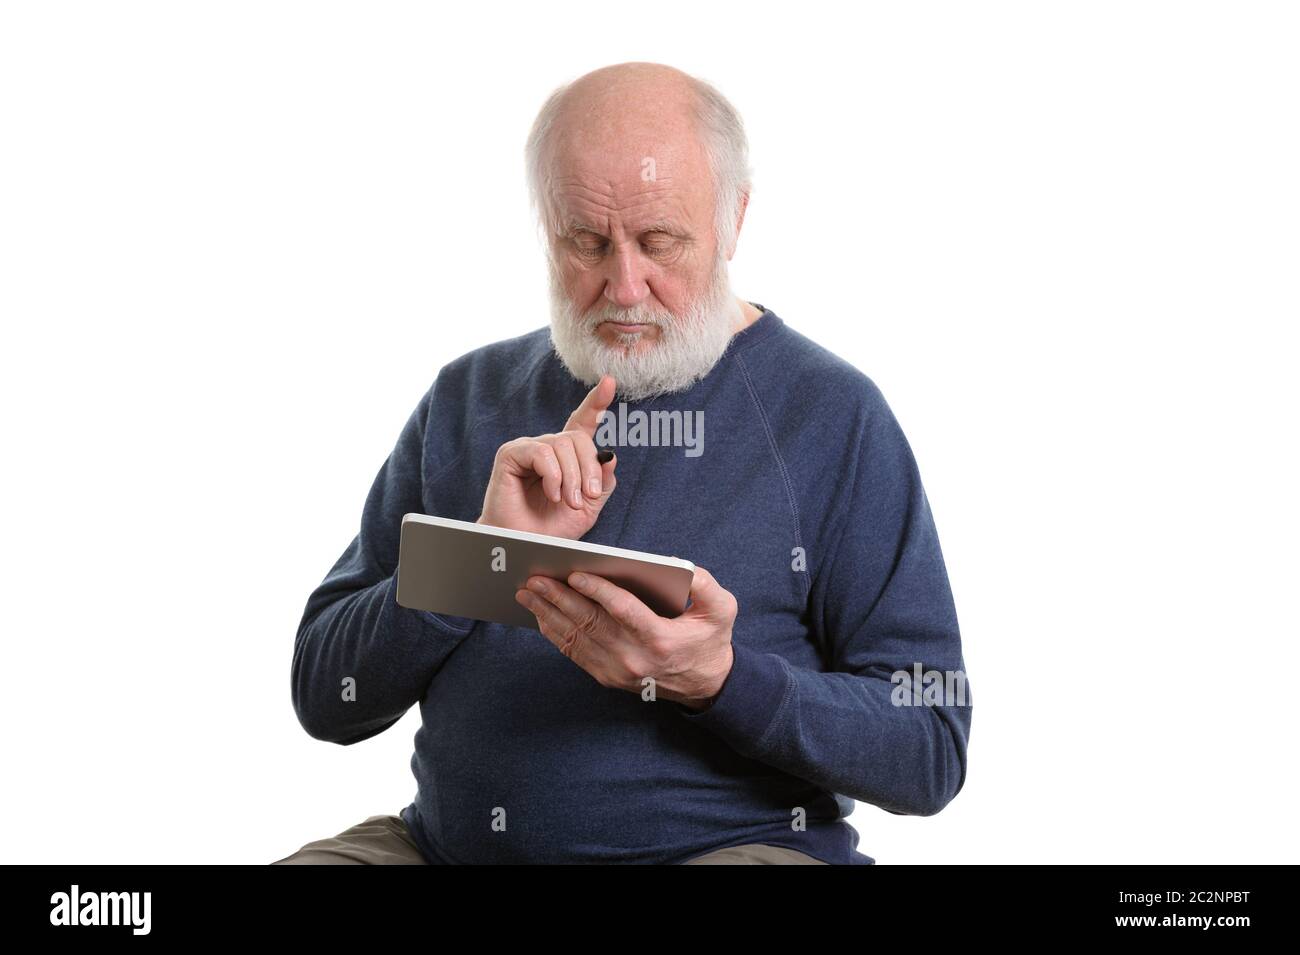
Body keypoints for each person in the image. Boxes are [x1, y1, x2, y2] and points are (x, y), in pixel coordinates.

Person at [273, 61, 971, 865]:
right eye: (586, 241)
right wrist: (470, 563)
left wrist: (721, 678)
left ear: (734, 218)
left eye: (660, 240)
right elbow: (325, 699)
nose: (624, 284)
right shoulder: (467, 397)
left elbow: (931, 746)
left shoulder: (834, 417)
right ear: (546, 225)